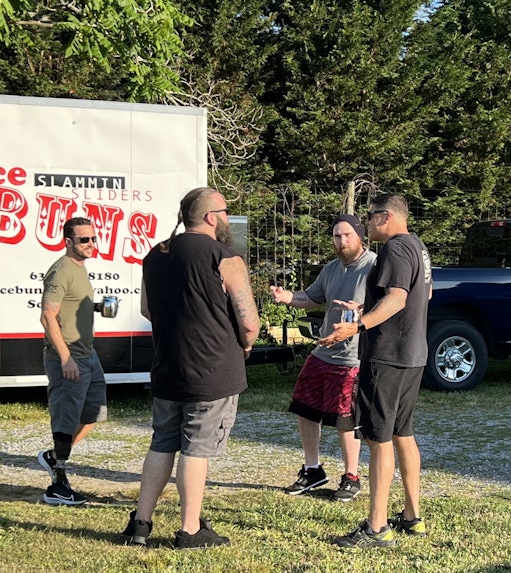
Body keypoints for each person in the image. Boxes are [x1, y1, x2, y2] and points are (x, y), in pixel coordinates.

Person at [121, 187, 260, 549]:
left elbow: (148, 309)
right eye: (226, 212)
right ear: (212, 217)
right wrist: (244, 345)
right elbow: (249, 323)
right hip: (212, 370)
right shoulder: (225, 258)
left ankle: (140, 523)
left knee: (162, 442)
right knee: (196, 447)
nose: (228, 219)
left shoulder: (154, 255)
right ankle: (190, 529)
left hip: (168, 366)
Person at [319, 194, 432, 548]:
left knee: (378, 439)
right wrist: (366, 305)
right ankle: (413, 517)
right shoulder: (417, 246)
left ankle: (377, 527)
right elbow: (420, 296)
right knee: (403, 433)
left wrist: (359, 325)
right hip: (413, 355)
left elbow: (398, 298)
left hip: (387, 356)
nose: (366, 224)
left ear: (386, 217)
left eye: (369, 218)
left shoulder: (395, 249)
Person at [270, 214, 376, 502]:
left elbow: (388, 303)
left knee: (344, 419)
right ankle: (313, 469)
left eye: (347, 236)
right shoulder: (331, 268)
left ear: (360, 236)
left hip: (353, 356)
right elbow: (313, 297)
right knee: (304, 408)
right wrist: (287, 296)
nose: (342, 242)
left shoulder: (374, 266)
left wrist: (362, 309)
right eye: (337, 236)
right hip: (324, 351)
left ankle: (351, 476)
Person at [37, 216, 107, 505]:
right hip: (68, 358)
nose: (91, 244)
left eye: (93, 238)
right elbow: (47, 315)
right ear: (68, 242)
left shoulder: (80, 268)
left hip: (88, 355)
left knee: (94, 414)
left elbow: (72, 305)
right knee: (66, 419)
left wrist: (98, 307)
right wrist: (65, 359)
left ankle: (54, 457)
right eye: (84, 240)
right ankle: (58, 487)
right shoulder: (62, 270)